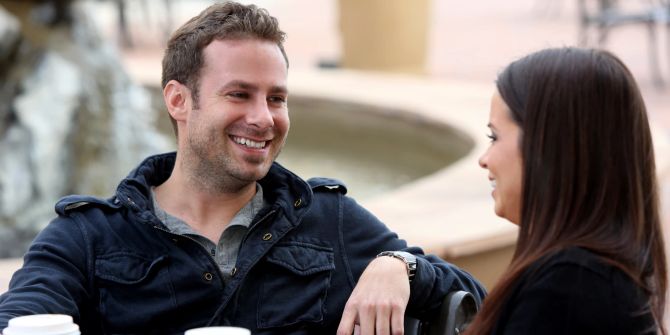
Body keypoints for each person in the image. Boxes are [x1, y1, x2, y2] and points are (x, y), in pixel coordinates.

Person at [0, 2, 485, 334]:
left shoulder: (329, 220)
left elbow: (477, 300)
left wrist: (400, 266)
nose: (263, 118)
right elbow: (20, 319)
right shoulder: (87, 237)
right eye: (239, 94)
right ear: (178, 100)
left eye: (276, 98)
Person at [468, 47, 667, 334]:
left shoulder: (569, 287)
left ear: (547, 146)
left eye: (494, 136)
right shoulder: (597, 275)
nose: (484, 159)